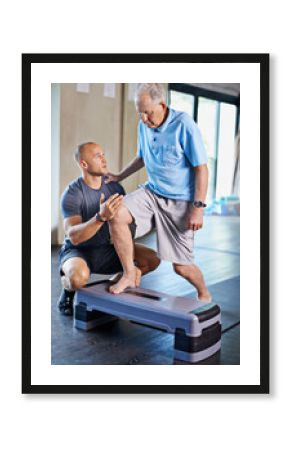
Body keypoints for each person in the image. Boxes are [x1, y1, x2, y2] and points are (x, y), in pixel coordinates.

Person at [106, 83, 211, 301]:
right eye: (140, 112)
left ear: (162, 105)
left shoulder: (184, 124)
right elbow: (142, 157)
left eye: (148, 112)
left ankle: (204, 293)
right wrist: (118, 176)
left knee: (181, 268)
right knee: (116, 214)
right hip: (152, 193)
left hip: (180, 202)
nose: (144, 118)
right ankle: (128, 273)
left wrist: (198, 208)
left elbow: (201, 168)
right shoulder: (144, 125)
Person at [58, 142, 160, 315]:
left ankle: (110, 289)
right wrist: (100, 217)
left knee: (152, 259)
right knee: (77, 278)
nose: (104, 159)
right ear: (84, 164)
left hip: (107, 249)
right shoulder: (72, 193)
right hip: (79, 251)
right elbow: (74, 236)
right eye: (97, 156)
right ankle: (68, 290)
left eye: (103, 154)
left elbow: (125, 225)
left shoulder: (115, 187)